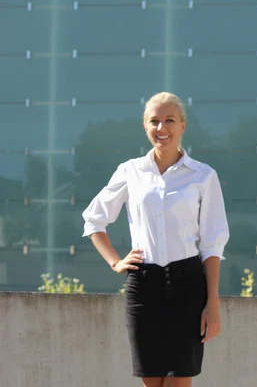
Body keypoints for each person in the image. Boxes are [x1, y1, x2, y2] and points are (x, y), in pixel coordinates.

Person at [82, 92, 229, 387]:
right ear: (146, 128)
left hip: (188, 285)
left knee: (178, 381)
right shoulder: (130, 172)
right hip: (143, 285)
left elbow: (212, 244)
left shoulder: (203, 176)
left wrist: (212, 303)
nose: (162, 128)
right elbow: (94, 219)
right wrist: (115, 261)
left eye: (169, 120)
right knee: (151, 381)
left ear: (183, 126)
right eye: (155, 121)